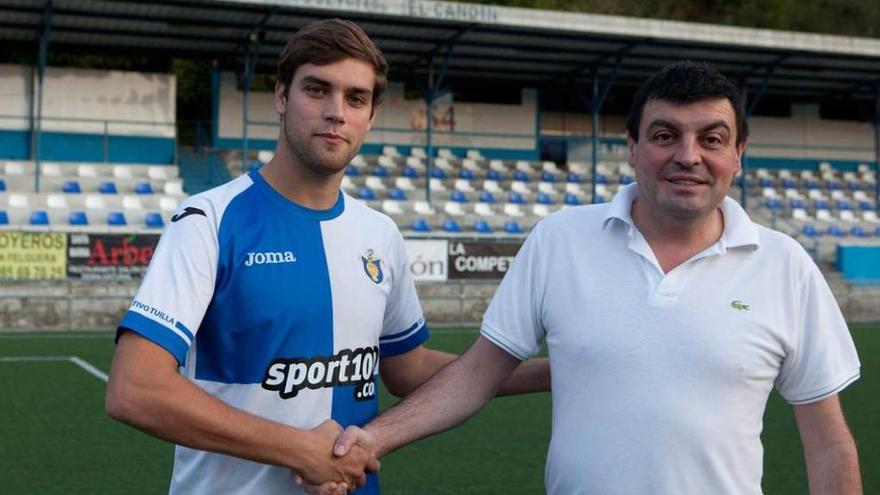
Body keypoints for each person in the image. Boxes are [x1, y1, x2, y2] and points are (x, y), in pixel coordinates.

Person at [327, 61, 863, 495]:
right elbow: (476, 376)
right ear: (632, 147)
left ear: (738, 154)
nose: (688, 156)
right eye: (665, 135)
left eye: (712, 138)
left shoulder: (785, 265)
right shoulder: (560, 239)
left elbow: (827, 441)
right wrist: (371, 439)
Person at [105, 18, 550, 495]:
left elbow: (407, 369)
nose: (336, 112)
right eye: (317, 90)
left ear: (371, 116)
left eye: (355, 98)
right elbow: (136, 389)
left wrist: (553, 372)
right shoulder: (209, 220)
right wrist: (298, 449)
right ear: (281, 97)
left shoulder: (380, 234)